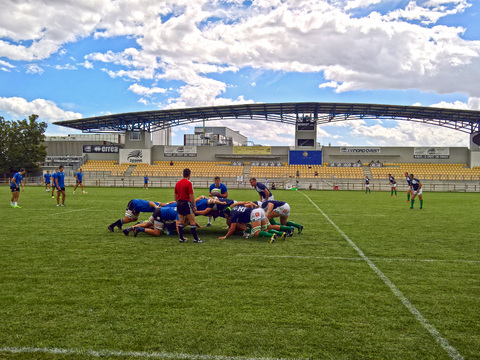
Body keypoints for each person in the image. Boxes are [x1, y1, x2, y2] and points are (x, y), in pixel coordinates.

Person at [174, 168, 203, 243]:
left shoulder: (177, 183)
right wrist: (194, 205)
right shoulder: (189, 183)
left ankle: (181, 238)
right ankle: (196, 239)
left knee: (181, 221)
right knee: (192, 220)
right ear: (189, 175)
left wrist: (178, 202)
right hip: (186, 203)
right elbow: (191, 195)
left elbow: (175, 195)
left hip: (179, 203)